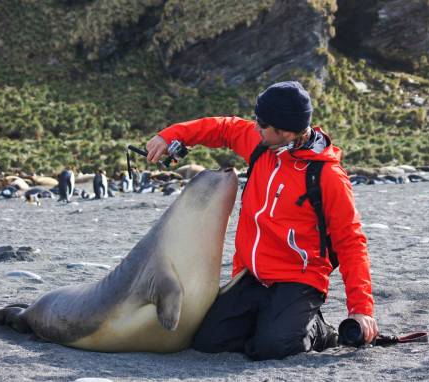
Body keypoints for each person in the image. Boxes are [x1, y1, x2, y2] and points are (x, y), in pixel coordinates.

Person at [146, 81, 378, 360]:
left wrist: (361, 309)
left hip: (298, 278)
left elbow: (351, 242)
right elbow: (223, 127)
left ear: (284, 131)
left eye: (262, 124)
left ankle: (318, 329)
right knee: (209, 342)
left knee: (274, 348)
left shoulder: (327, 177)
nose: (255, 128)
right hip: (252, 275)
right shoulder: (261, 144)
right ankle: (276, 321)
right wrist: (171, 135)